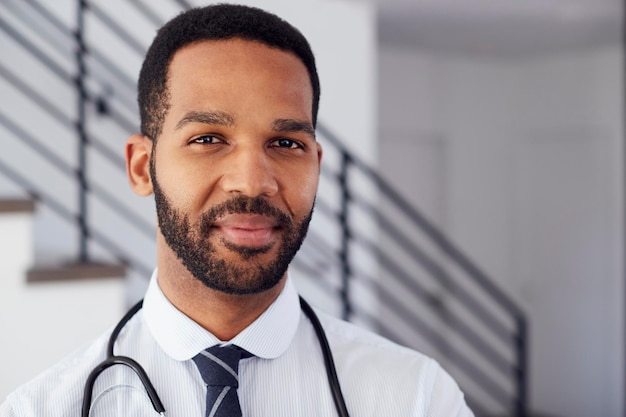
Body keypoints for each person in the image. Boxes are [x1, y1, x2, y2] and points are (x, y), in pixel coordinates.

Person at [0, 4, 473, 416]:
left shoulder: (417, 398)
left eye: (286, 142)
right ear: (143, 168)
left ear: (317, 166)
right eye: (207, 139)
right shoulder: (40, 408)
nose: (253, 180)